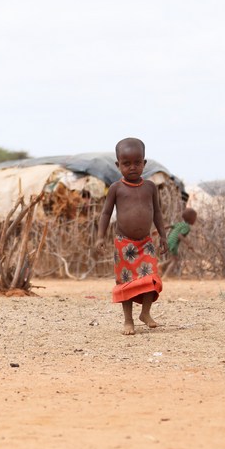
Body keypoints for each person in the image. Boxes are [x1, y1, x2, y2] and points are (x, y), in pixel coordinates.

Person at [94, 138, 167, 335]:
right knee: (126, 283)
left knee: (151, 279)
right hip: (124, 244)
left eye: (137, 162)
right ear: (118, 165)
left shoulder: (150, 187)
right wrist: (100, 236)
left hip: (146, 243)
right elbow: (106, 213)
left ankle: (145, 313)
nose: (132, 167)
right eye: (126, 163)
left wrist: (163, 236)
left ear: (144, 163)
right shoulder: (116, 188)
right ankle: (128, 320)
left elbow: (157, 213)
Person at [160, 207, 197, 277]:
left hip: (169, 241)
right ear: (191, 218)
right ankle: (165, 276)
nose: (195, 219)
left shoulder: (180, 224)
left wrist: (158, 230)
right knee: (175, 261)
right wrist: (188, 244)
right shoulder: (187, 227)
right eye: (195, 218)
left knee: (173, 258)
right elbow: (180, 236)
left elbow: (170, 226)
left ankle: (161, 265)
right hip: (173, 243)